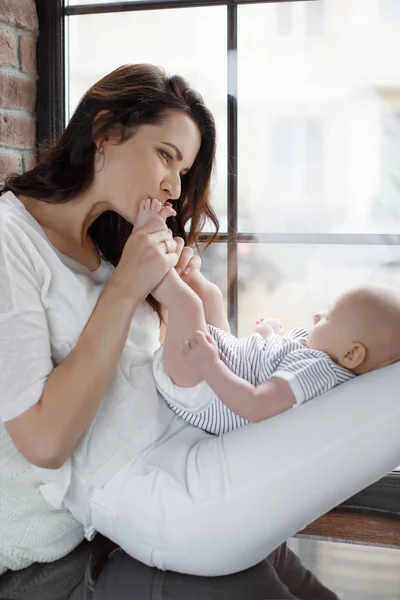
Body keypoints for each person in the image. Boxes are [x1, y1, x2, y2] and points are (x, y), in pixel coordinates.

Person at [0, 63, 398, 579]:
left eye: (183, 172)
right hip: (157, 495)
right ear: (104, 132)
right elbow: (46, 444)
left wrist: (187, 293)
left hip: (196, 447)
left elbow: (185, 374)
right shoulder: (13, 239)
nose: (172, 187)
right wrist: (126, 289)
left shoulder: (109, 245)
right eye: (166, 156)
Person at [144, 195, 400, 433]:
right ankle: (175, 262)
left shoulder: (319, 371)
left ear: (351, 354)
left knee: (188, 304)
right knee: (211, 295)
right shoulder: (320, 348)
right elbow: (273, 362)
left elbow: (256, 405)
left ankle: (146, 246)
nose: (316, 317)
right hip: (222, 359)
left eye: (330, 317)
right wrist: (270, 335)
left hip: (200, 391)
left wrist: (209, 365)